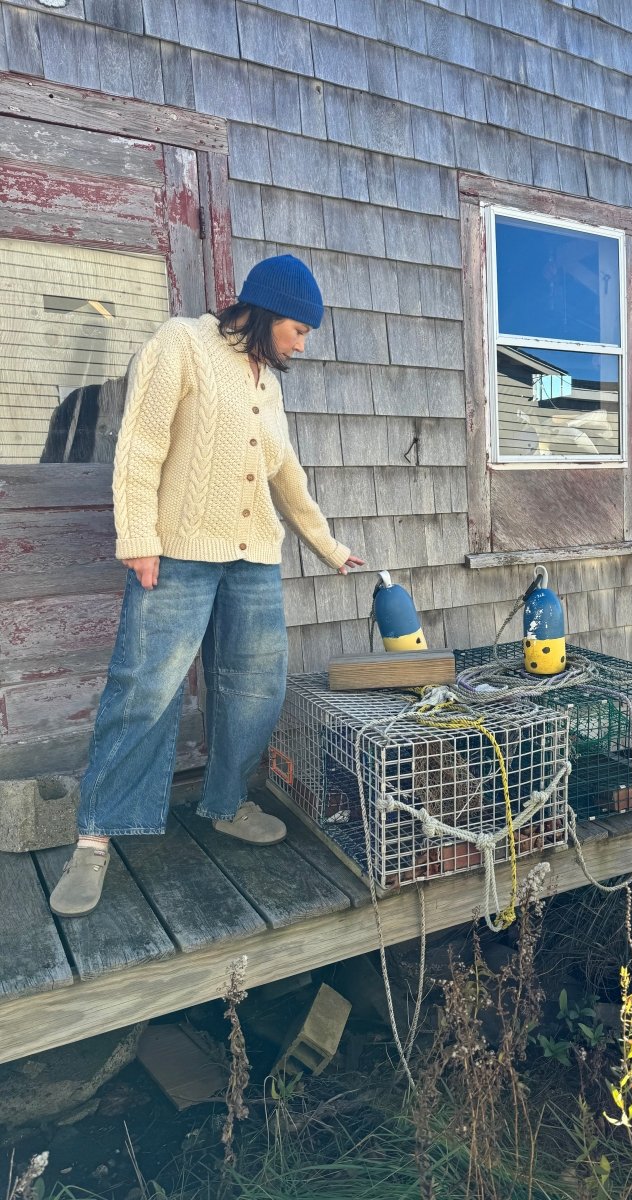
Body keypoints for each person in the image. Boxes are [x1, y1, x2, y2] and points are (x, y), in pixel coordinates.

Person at [49, 255, 363, 917]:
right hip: (177, 554)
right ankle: (95, 838)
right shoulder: (182, 344)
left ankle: (225, 804)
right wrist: (137, 537)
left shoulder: (267, 384)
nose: (302, 344)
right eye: (298, 330)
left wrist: (330, 548)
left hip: (253, 561)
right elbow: (140, 446)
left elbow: (286, 476)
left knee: (255, 687)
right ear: (264, 310)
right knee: (145, 689)